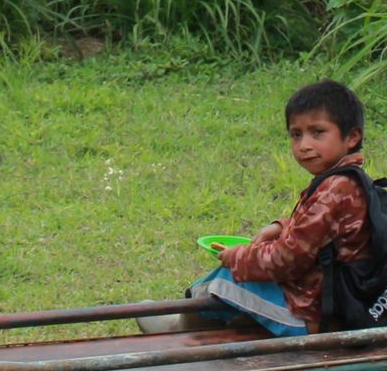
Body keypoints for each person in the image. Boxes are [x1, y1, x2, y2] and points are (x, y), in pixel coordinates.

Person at [137, 79, 371, 337]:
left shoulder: (333, 191)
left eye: (317, 132)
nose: (304, 145)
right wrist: (280, 227)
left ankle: (182, 332)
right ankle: (216, 328)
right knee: (246, 279)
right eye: (296, 134)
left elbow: (287, 260)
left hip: (316, 318)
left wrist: (239, 257)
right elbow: (322, 232)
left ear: (352, 137)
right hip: (335, 304)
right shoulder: (350, 181)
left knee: (227, 280)